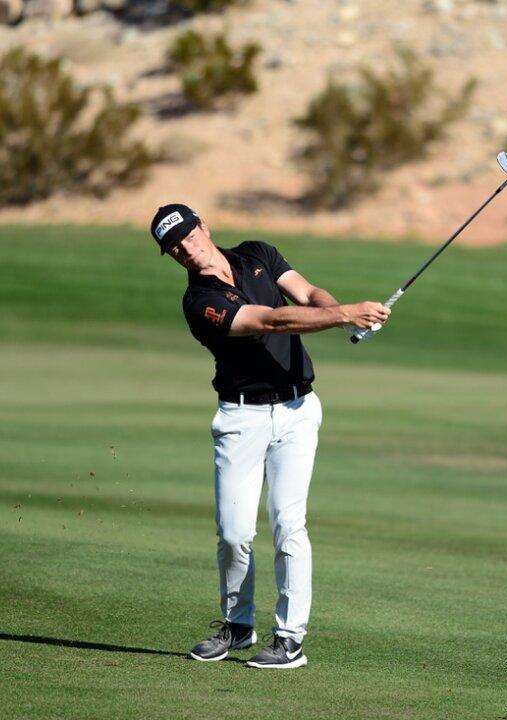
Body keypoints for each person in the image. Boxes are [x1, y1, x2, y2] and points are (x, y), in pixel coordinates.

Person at [150, 204, 389, 669]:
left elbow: (306, 292)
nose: (184, 249)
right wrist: (346, 315)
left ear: (204, 227)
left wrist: (339, 312)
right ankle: (238, 626)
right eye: (173, 247)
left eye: (187, 235)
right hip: (242, 420)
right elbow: (271, 321)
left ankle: (289, 638)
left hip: (299, 411)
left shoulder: (258, 253)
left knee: (288, 524)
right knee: (235, 533)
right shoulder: (200, 302)